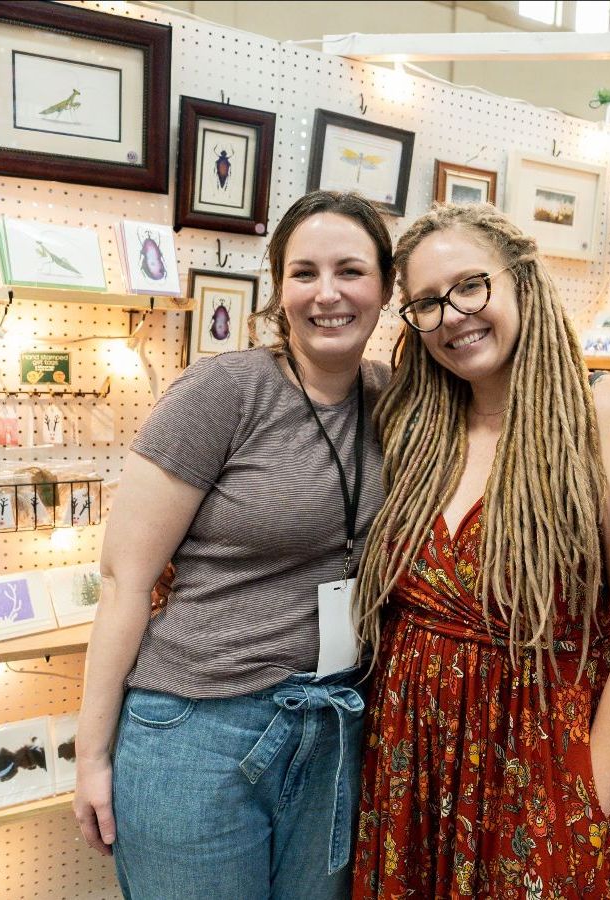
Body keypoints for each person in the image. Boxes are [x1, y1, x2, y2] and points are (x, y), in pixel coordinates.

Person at [351, 203, 610, 897]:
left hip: (542, 778)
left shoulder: (605, 413)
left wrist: (582, 807)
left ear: (521, 280)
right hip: (409, 775)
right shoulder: (417, 422)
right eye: (426, 303)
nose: (451, 316)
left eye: (470, 286)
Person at [73, 190, 395, 900]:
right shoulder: (223, 391)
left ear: (385, 286)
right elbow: (125, 580)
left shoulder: (396, 400)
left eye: (350, 270)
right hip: (197, 731)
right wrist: (90, 755)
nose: (327, 293)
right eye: (304, 272)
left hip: (333, 728)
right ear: (280, 289)